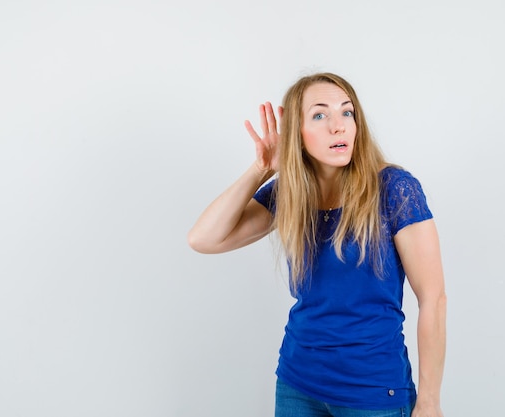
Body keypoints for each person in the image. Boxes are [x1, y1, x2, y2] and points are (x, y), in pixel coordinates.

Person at [188, 72, 446, 417]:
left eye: (347, 112)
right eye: (320, 115)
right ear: (298, 134)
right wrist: (262, 168)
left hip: (372, 392)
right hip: (298, 385)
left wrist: (429, 402)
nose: (338, 126)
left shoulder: (394, 189)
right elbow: (204, 239)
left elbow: (433, 299)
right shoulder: (290, 193)